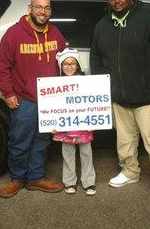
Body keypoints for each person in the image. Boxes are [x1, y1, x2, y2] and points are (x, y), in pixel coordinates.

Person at [90, 0, 150, 209]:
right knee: (124, 142)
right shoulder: (103, 25)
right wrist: (105, 85)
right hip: (120, 99)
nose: (117, 1)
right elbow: (96, 57)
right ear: (109, 1)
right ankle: (130, 172)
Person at [0, 0, 66, 198]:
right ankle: (17, 179)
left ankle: (36, 178)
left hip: (49, 100)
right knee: (20, 140)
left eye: (47, 8)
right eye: (38, 7)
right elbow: (2, 67)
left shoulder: (55, 33)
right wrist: (9, 93)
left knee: (42, 140)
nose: (43, 12)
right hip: (24, 99)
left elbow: (65, 60)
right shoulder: (14, 34)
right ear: (30, 8)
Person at [52, 48, 97, 196]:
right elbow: (52, 108)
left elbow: (92, 103)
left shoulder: (87, 82)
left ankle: (89, 182)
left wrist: (93, 121)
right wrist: (51, 123)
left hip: (84, 128)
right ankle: (69, 182)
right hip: (65, 129)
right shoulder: (54, 86)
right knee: (68, 155)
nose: (69, 67)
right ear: (60, 66)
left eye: (72, 64)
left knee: (86, 154)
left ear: (78, 65)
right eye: (65, 64)